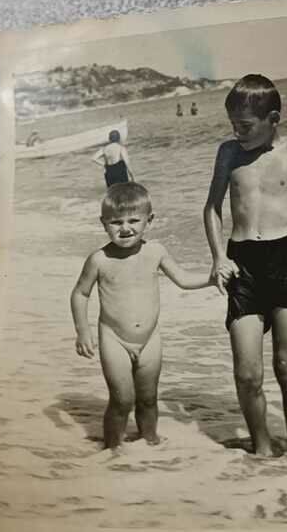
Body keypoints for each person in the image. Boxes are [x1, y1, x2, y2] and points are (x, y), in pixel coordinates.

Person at [204, 74, 287, 459]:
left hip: (286, 260)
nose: (237, 133)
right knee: (247, 373)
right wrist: (217, 257)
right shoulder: (228, 153)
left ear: (273, 117)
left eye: (245, 126)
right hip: (242, 263)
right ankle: (262, 452)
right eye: (233, 125)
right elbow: (211, 208)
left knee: (286, 362)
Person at [70, 183, 212, 455]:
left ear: (150, 220)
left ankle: (151, 444)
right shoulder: (99, 259)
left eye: (134, 220)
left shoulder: (155, 251)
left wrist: (213, 278)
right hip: (114, 339)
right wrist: (82, 331)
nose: (125, 228)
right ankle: (112, 449)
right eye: (116, 222)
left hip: (150, 339)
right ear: (104, 224)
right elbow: (80, 294)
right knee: (123, 400)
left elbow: (182, 279)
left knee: (148, 399)